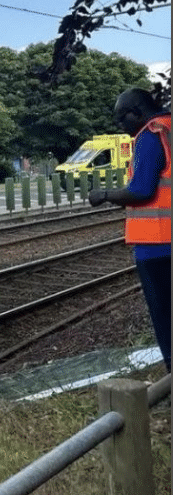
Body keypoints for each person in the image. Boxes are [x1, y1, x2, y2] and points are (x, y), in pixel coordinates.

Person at [89, 87, 171, 371]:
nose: (119, 127)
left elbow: (142, 190)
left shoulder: (150, 136)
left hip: (158, 245)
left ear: (136, 111)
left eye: (121, 119)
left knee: (165, 317)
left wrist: (105, 195)